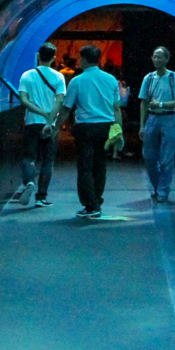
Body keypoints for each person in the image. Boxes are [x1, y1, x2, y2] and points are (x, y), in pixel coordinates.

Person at [66, 44, 121, 219]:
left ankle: (91, 205)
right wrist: (118, 130)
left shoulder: (76, 81)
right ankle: (97, 200)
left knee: (85, 167)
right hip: (105, 126)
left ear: (83, 59)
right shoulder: (111, 80)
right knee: (100, 165)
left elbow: (67, 107)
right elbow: (116, 108)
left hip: (85, 127)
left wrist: (55, 125)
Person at [15, 43, 66, 209]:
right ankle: (41, 197)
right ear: (53, 58)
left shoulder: (27, 75)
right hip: (50, 125)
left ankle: (29, 182)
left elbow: (24, 100)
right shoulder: (59, 77)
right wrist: (49, 120)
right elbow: (59, 101)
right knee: (47, 160)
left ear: (38, 56)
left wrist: (40, 113)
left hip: (32, 122)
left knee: (29, 157)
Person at [138, 46, 175, 204]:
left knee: (166, 158)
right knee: (149, 157)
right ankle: (156, 187)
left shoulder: (174, 78)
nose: (156, 59)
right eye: (154, 56)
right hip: (152, 119)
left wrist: (160, 104)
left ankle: (163, 190)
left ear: (167, 59)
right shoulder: (149, 78)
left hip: (169, 118)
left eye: (159, 57)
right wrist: (142, 125)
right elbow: (144, 102)